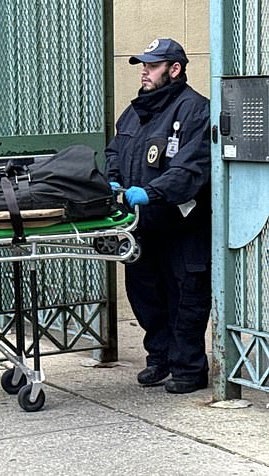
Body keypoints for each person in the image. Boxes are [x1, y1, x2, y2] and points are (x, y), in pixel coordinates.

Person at [104, 39, 211, 394]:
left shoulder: (194, 110)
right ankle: (159, 359)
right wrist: (114, 177)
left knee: (186, 298)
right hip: (141, 226)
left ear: (174, 69)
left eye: (151, 66)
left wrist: (151, 193)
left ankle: (189, 370)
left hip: (182, 226)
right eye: (142, 66)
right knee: (145, 295)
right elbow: (115, 150)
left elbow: (191, 169)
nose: (144, 72)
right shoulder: (136, 110)